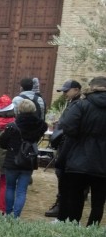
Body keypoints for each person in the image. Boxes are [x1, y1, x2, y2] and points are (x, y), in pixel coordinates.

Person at [56, 76, 106, 226]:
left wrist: (80, 135)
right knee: (98, 201)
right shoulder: (82, 104)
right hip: (103, 161)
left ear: (91, 87)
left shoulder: (81, 105)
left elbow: (67, 125)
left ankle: (72, 228)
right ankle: (92, 230)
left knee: (75, 197)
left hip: (79, 157)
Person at [0, 100, 47, 218]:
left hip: (12, 159)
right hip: (28, 160)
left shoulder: (12, 126)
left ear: (19, 110)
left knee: (10, 187)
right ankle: (16, 216)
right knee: (22, 190)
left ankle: (8, 213)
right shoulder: (40, 125)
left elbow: (3, 143)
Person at [44, 79, 82, 217]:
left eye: (67, 91)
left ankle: (62, 207)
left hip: (69, 145)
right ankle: (61, 205)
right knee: (61, 176)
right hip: (65, 144)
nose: (65, 93)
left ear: (77, 90)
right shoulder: (72, 103)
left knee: (64, 177)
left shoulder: (78, 105)